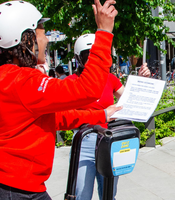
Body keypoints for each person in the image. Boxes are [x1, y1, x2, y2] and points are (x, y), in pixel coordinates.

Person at [0, 0, 120, 199]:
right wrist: (104, 32)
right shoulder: (22, 81)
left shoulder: (9, 78)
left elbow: (54, 118)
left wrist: (101, 114)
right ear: (24, 38)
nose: (47, 40)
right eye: (42, 32)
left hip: (17, 185)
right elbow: (88, 89)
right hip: (18, 189)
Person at [66, 33, 150, 200]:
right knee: (81, 194)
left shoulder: (108, 79)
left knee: (108, 194)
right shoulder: (71, 81)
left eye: (97, 56)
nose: (93, 61)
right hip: (84, 141)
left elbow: (127, 100)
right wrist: (99, 115)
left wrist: (139, 80)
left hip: (107, 140)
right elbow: (65, 114)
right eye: (87, 56)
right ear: (78, 58)